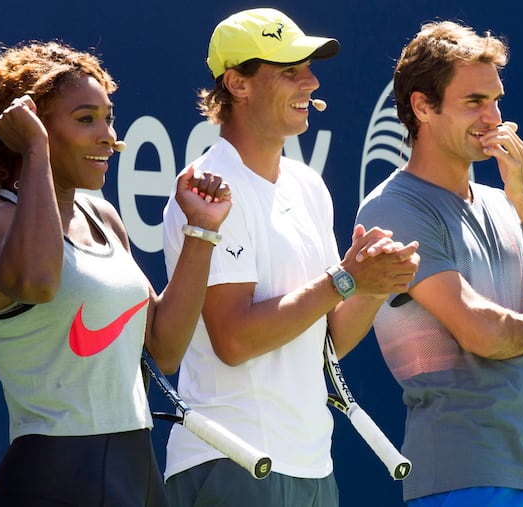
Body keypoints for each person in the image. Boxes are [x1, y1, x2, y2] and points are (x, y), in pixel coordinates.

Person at [0, 41, 232, 507]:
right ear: (29, 125)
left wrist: (201, 231)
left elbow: (166, 349)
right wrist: (35, 152)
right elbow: (39, 282)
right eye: (85, 119)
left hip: (138, 470)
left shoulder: (104, 216)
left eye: (108, 117)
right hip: (57, 477)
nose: (108, 136)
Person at [161, 8, 420, 507]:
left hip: (312, 467)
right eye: (289, 71)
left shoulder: (308, 187)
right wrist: (344, 278)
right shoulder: (210, 188)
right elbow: (233, 340)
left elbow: (329, 342)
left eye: (308, 68)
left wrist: (371, 285)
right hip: (232, 464)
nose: (311, 81)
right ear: (237, 84)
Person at [355, 21, 523, 507]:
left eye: (496, 100)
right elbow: (481, 333)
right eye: (474, 102)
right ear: (422, 107)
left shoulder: (506, 204)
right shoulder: (394, 208)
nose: (494, 118)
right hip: (459, 478)